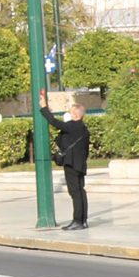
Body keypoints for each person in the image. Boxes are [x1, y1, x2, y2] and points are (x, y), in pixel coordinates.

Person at [55, 97, 92, 230]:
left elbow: (53, 122)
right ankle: (83, 220)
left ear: (76, 114)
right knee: (81, 191)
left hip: (71, 164)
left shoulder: (72, 126)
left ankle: (77, 220)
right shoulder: (83, 129)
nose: (69, 115)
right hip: (80, 164)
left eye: (71, 112)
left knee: (75, 192)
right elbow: (86, 150)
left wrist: (43, 108)